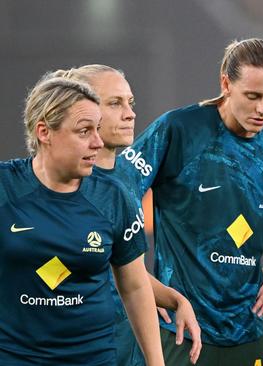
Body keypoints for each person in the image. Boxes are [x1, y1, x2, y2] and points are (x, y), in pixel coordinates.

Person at [113, 38, 263, 365]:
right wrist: (140, 280)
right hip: (181, 329)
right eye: (253, 96)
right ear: (226, 84)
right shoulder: (179, 129)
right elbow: (118, 190)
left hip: (249, 329)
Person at [0, 75, 164, 365]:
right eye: (84, 131)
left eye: (98, 130)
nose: (97, 142)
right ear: (44, 132)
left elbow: (135, 287)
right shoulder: (5, 188)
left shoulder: (112, 197)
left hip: (93, 358)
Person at [57, 64, 202, 365]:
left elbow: (123, 268)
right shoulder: (64, 183)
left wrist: (173, 299)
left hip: (127, 349)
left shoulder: (127, 177)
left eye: (130, 103)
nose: (130, 113)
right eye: (115, 103)